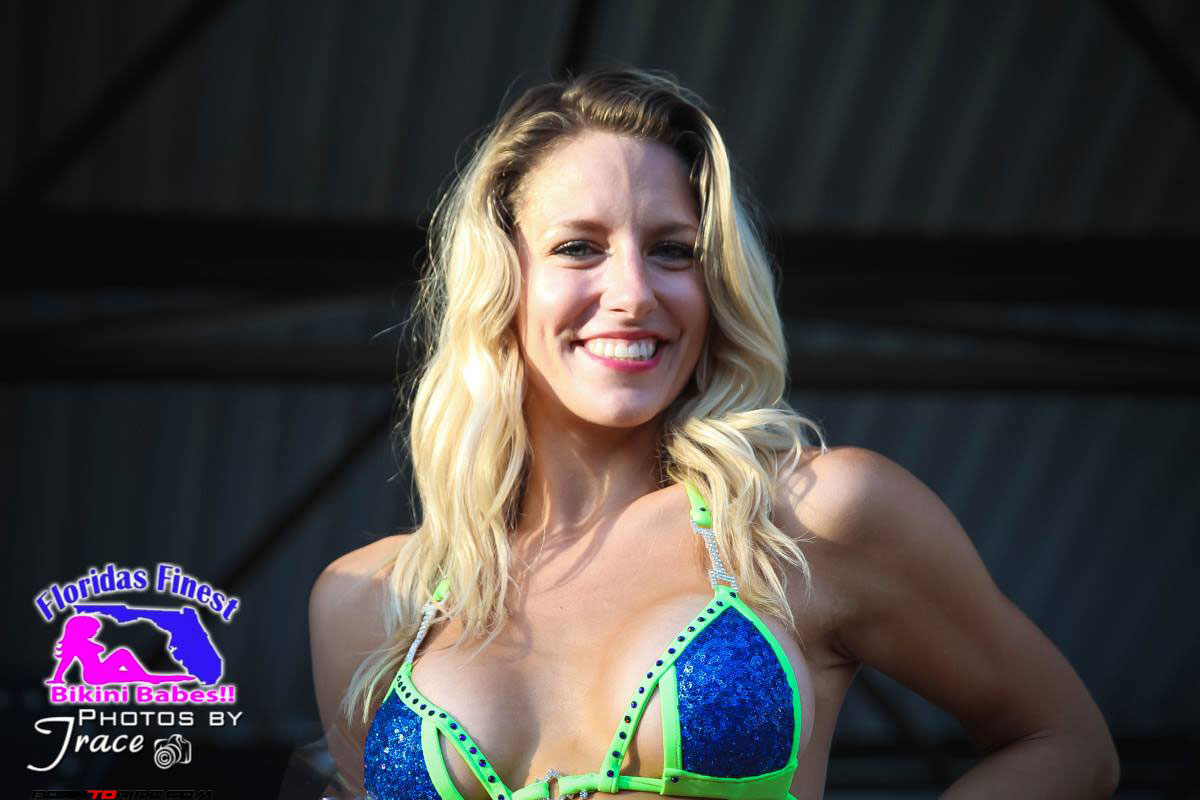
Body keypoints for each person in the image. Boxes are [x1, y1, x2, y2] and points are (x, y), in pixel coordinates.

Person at [308, 66, 1119, 800]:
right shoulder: (370, 602)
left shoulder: (808, 516)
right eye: (579, 247)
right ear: (502, 280)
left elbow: (1067, 744)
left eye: (672, 251)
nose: (632, 292)